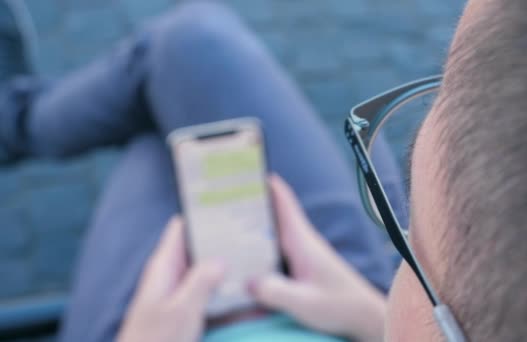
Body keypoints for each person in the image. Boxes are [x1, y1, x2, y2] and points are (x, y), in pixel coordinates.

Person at [0, 1, 404, 341]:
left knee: (163, 128)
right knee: (190, 49)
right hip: (365, 317)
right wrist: (380, 320)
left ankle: (15, 119)